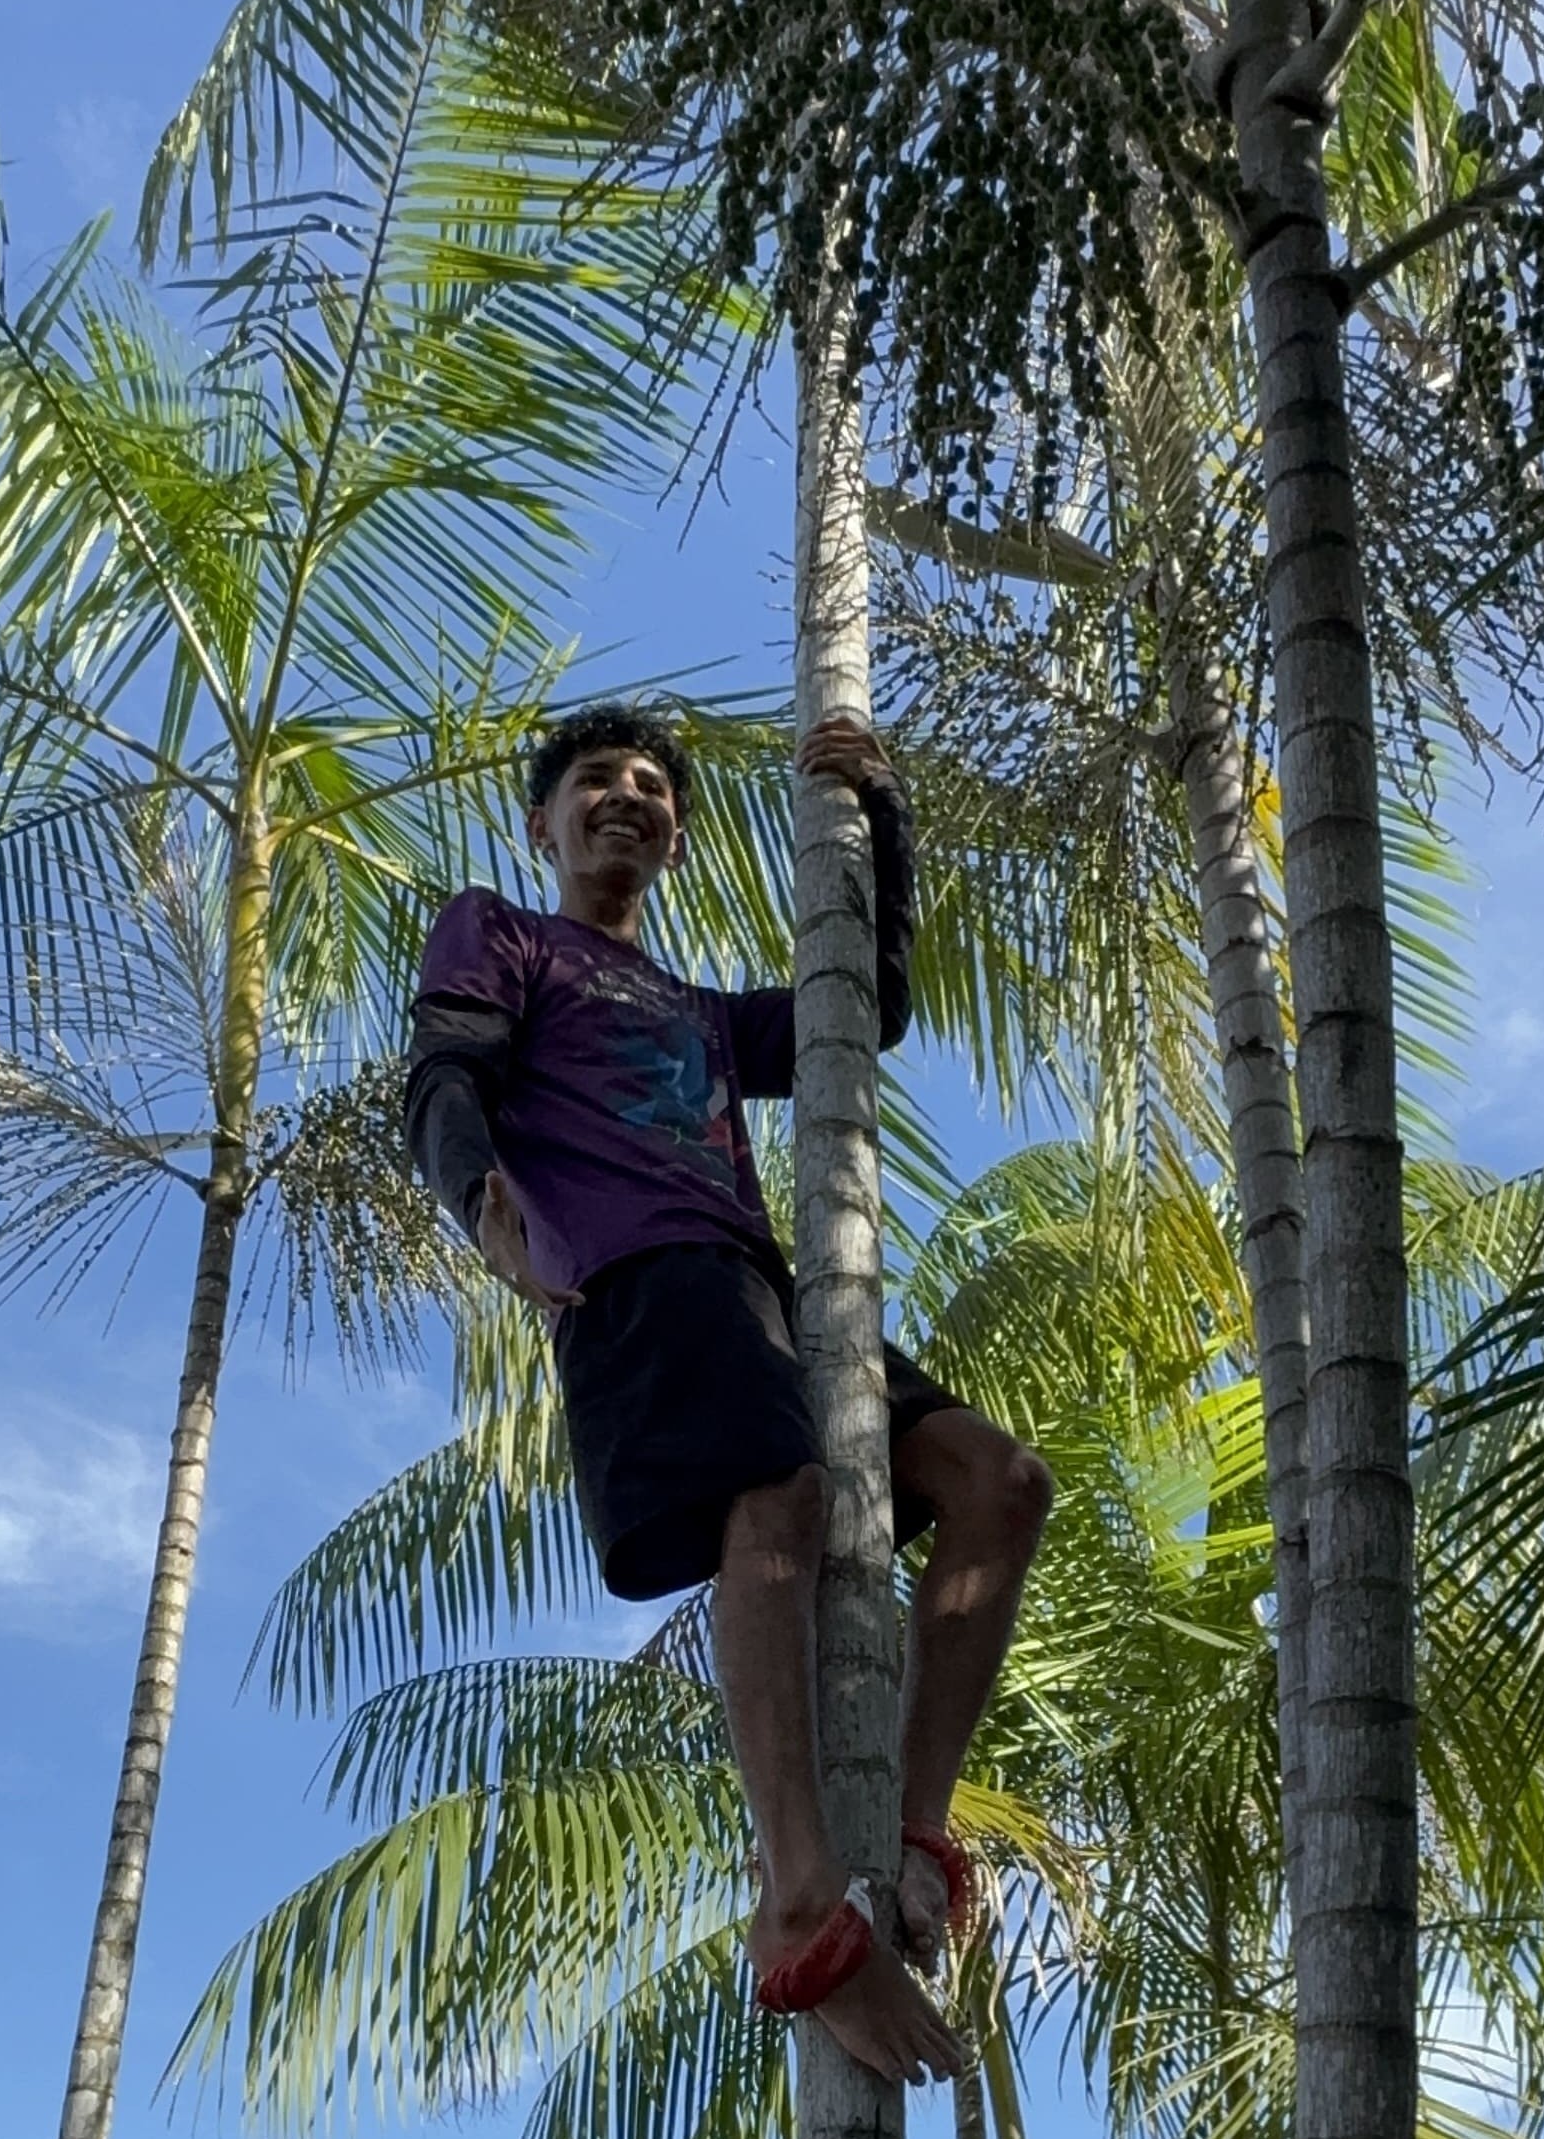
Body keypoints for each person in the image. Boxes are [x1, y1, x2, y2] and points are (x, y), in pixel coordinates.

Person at [404, 703, 1052, 2088]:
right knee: (779, 1505)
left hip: (772, 1294)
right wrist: (476, 1192)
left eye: (649, 786)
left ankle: (914, 1831)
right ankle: (800, 1890)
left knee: (999, 1485)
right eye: (593, 782)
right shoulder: (501, 932)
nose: (624, 798)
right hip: (636, 1274)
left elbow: (860, 1013)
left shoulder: (697, 1009)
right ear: (543, 823)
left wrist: (882, 815)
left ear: (679, 837)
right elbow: (443, 1072)